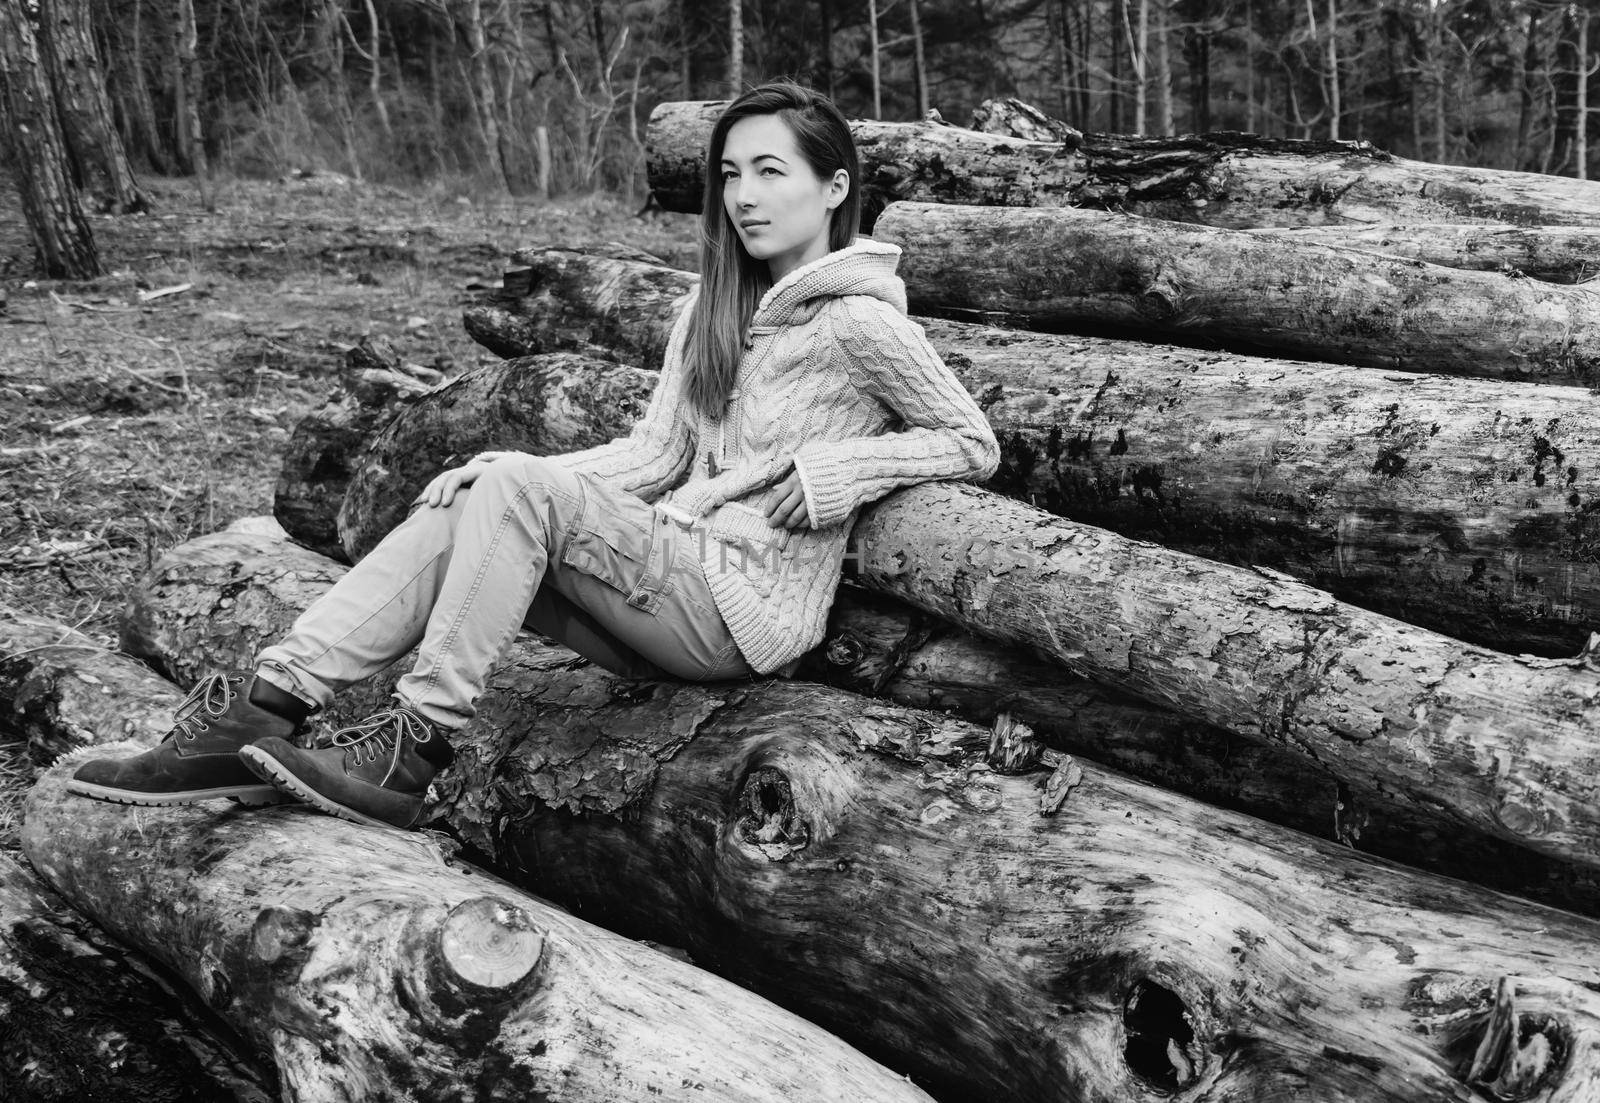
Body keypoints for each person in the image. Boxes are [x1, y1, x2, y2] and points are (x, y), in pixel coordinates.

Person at [68, 80, 1001, 830]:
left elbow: (971, 439)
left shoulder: (860, 321)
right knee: (469, 496)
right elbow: (651, 453)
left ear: (834, 187)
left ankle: (418, 741)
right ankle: (262, 708)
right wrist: (498, 486)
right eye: (729, 175)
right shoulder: (710, 308)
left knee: (511, 482)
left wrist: (840, 473)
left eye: (769, 171)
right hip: (667, 586)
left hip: (742, 611)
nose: (744, 195)